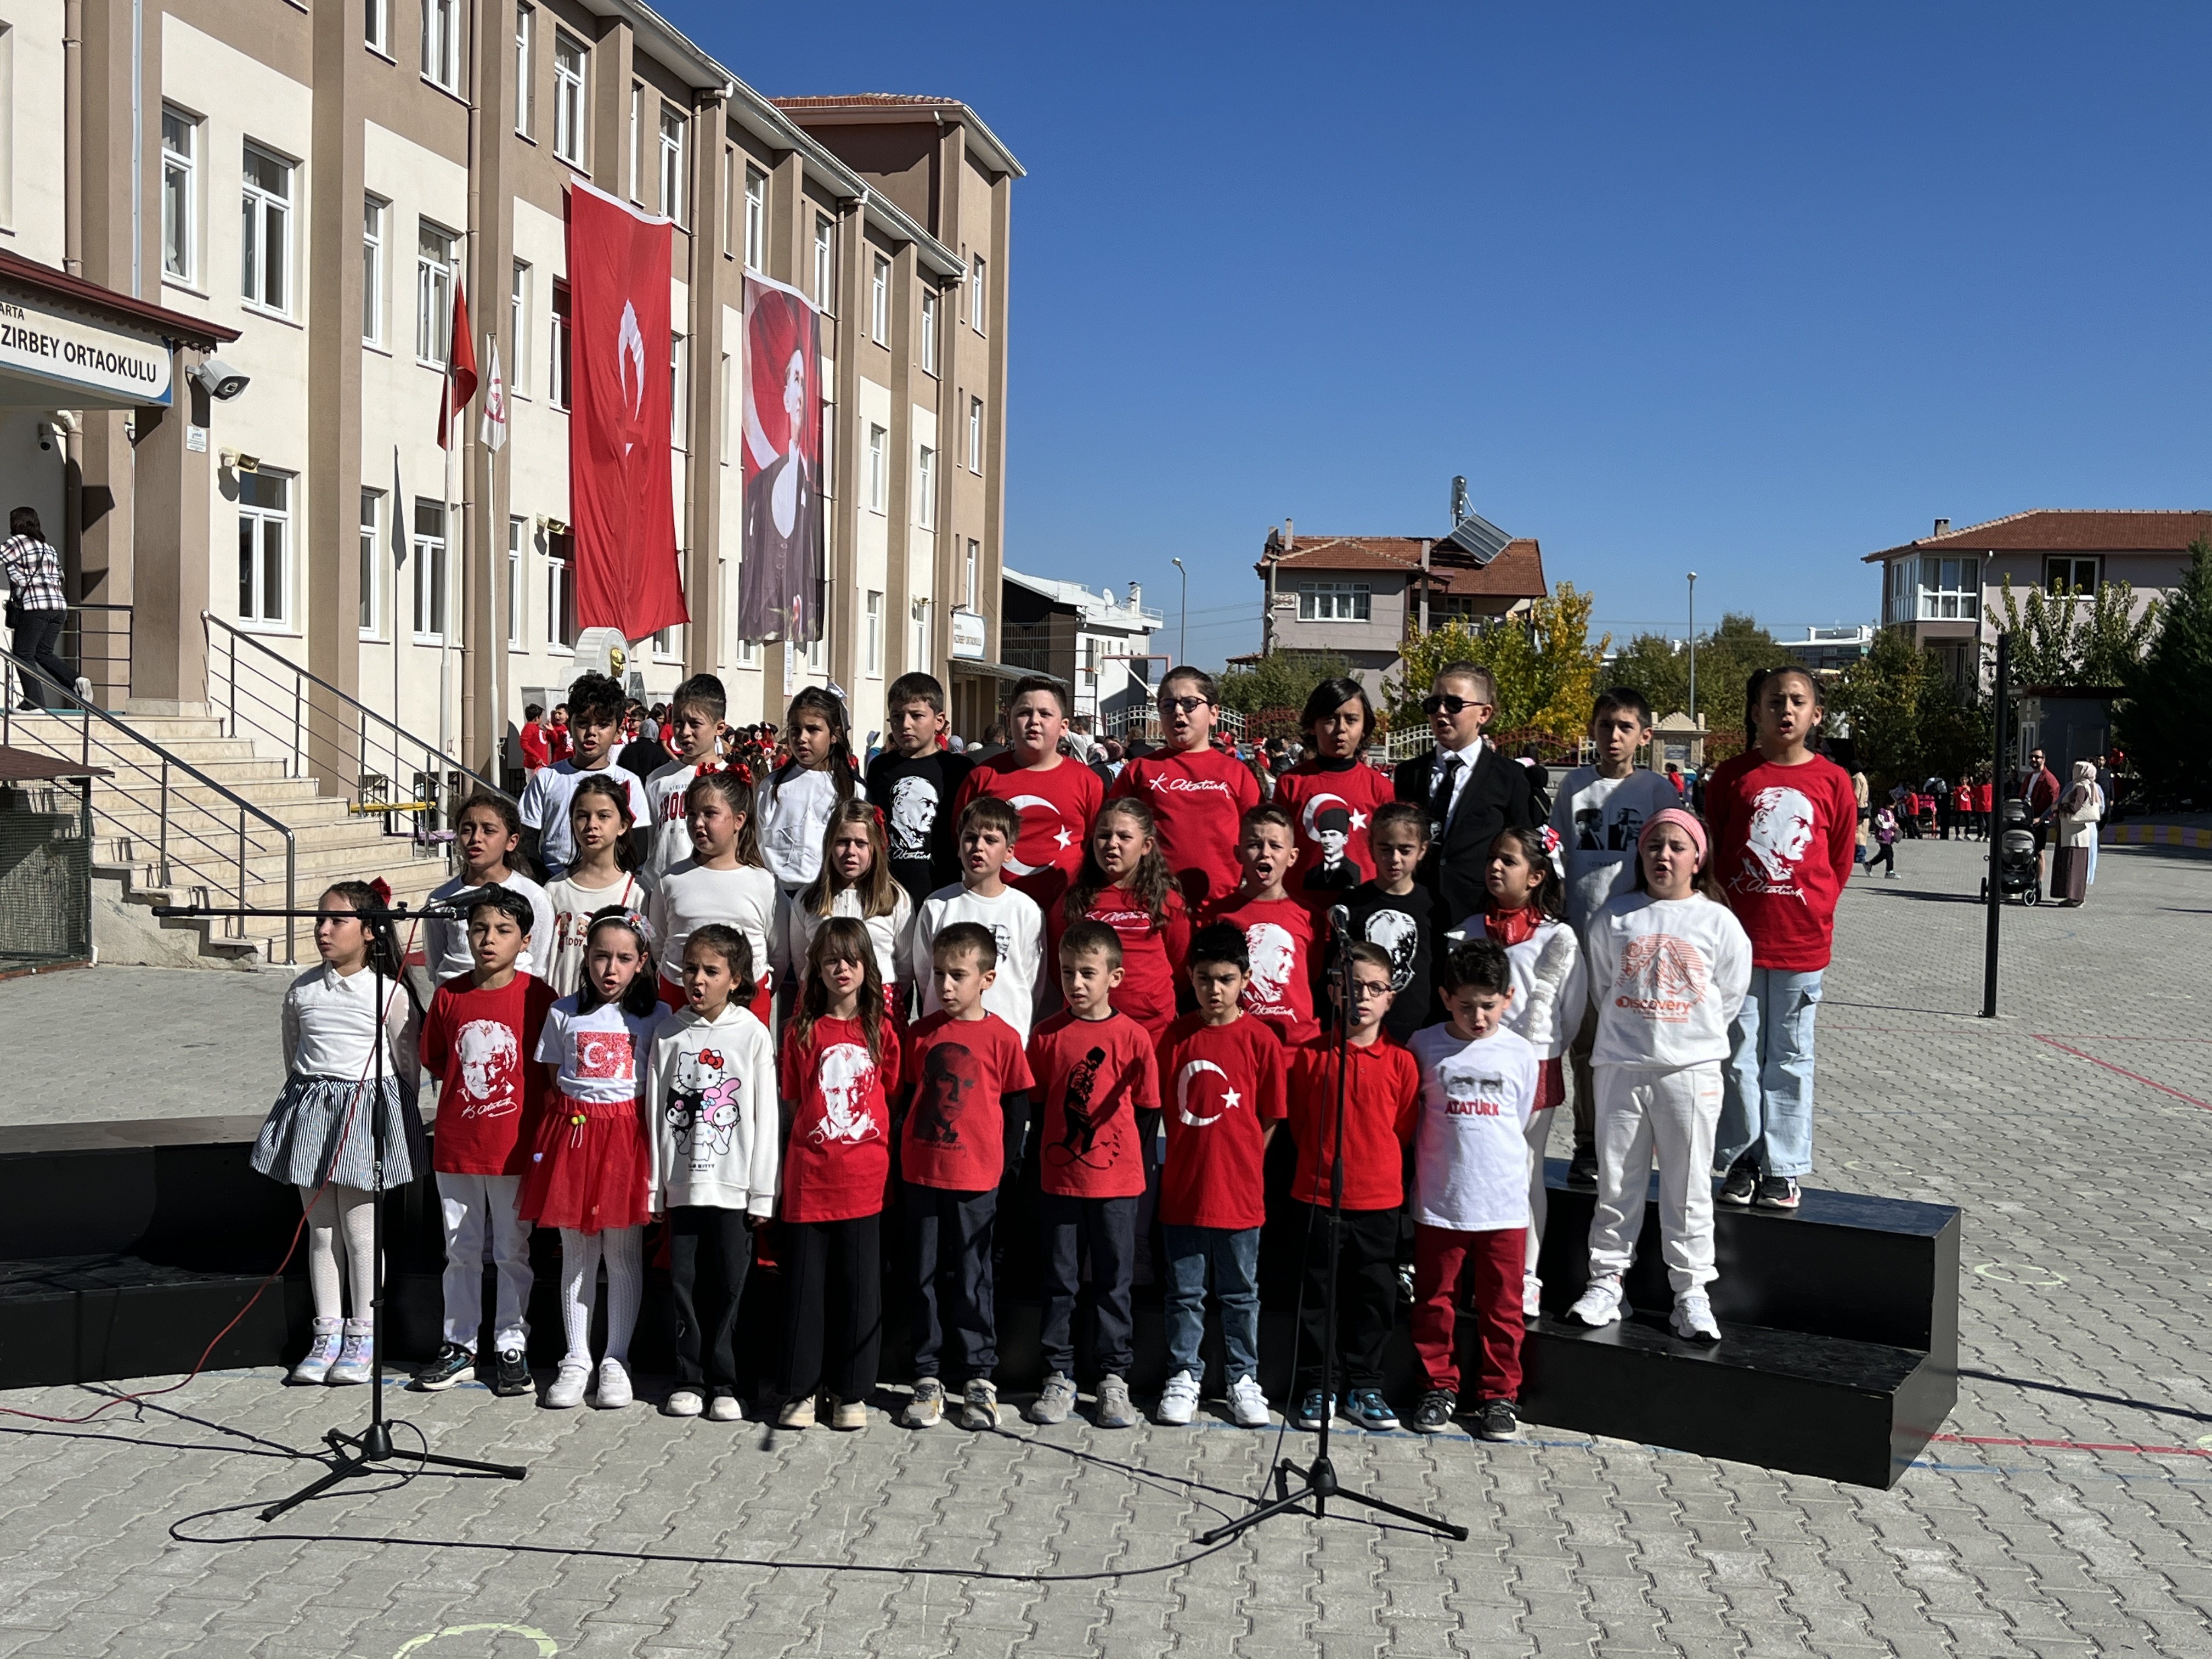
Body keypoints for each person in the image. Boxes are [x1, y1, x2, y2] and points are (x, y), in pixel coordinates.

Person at [1569, 811, 1752, 1344]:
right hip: (1622, 1069)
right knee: (1617, 1182)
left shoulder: (1718, 923)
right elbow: (1603, 988)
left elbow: (1730, 995)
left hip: (1689, 1072)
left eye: (1677, 846)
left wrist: (1687, 1037)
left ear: (1699, 857)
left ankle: (1690, 1293)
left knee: (1688, 1186)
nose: (1664, 856)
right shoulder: (1616, 917)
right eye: (1654, 846)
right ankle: (1606, 1282)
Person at [253, 881, 424, 1386]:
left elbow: (406, 1062)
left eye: (337, 921)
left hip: (365, 1115)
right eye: (319, 921)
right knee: (321, 1228)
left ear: (370, 931)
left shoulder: (387, 993)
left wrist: (387, 1111)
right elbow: (293, 1056)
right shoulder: (302, 989)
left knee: (360, 1230)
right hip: (313, 1115)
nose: (323, 930)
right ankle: (326, 1331)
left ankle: (363, 1332)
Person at [1706, 668, 1857, 1211]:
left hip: (1801, 947)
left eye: (1798, 701)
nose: (1785, 710)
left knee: (1790, 1058)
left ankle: (1783, 1166)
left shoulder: (1833, 781)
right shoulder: (1732, 777)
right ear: (1756, 712)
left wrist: (1810, 908)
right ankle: (1743, 1158)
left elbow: (1838, 862)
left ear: (1817, 715)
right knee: (1739, 1055)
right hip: (1738, 947)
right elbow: (1716, 850)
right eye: (1775, 701)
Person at [411, 887, 555, 1396]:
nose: (488, 940)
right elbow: (438, 1060)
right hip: (457, 1146)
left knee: (513, 1250)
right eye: (479, 929)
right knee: (461, 1249)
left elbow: (548, 1069)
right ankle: (460, 1346)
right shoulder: (450, 995)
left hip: (514, 1150)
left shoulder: (539, 997)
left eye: (502, 930)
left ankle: (511, 1342)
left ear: (525, 940)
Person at [896, 922, 1034, 1431]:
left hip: (978, 1180)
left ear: (988, 978)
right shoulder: (920, 1033)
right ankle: (927, 1378)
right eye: (938, 975)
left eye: (958, 975)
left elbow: (1017, 1106)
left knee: (975, 1281)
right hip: (922, 1175)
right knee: (925, 1278)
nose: (945, 985)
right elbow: (907, 1099)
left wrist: (1008, 1165)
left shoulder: (1003, 1038)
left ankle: (978, 1378)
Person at [518, 907, 658, 1409]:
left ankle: (615, 1359)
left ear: (642, 962)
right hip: (574, 1139)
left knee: (621, 1254)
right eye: (601, 956)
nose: (610, 969)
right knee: (577, 1253)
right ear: (586, 957)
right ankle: (576, 1357)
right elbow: (555, 1078)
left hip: (626, 1142)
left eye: (623, 959)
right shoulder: (563, 1012)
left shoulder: (654, 1017)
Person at [1024, 921, 1159, 1430]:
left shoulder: (1134, 1038)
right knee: (1060, 1281)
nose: (1076, 983)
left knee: (1113, 1283)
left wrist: (1127, 1166)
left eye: (1087, 973)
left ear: (1115, 977)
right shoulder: (1048, 1035)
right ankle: (1058, 1374)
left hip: (1117, 1187)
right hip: (1059, 1185)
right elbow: (1038, 1108)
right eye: (1066, 973)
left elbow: (1146, 1111)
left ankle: (1112, 1378)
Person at [1407, 938, 1542, 1441]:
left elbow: (1523, 1115)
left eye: (1488, 1006)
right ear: (1445, 998)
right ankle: (1437, 1386)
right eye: (1466, 1007)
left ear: (1508, 998)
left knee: (1501, 1308)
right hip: (1441, 1204)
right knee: (1435, 1301)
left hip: (1504, 1206)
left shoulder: (1521, 1052)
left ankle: (1499, 1396)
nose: (1478, 1018)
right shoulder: (1424, 1046)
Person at [1152, 923, 1285, 1429]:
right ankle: (1184, 1373)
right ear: (1190, 977)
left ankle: (1241, 1379)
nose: (1214, 989)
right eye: (1204, 978)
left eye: (1226, 979)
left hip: (1239, 1195)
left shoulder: (1260, 1041)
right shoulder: (1175, 1038)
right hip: (1184, 1192)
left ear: (1246, 980)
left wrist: (1244, 1157)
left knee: (1240, 1294)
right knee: (1185, 1294)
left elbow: (1270, 1116)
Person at [645, 922, 778, 1422]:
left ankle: (731, 1382)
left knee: (732, 1287)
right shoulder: (669, 1033)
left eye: (711, 971)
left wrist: (763, 1193)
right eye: (691, 969)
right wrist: (656, 1187)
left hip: (734, 1188)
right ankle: (690, 1378)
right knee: (686, 1283)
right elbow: (658, 1112)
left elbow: (765, 1119)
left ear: (736, 977)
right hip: (683, 1185)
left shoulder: (752, 1035)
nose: (697, 980)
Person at [1285, 941, 1419, 1432]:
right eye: (1353, 986)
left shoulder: (1402, 1064)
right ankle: (1319, 1385)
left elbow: (1403, 1128)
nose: (1363, 997)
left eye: (1375, 988)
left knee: (1372, 1297)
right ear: (1334, 992)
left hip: (1379, 1201)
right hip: (1321, 1198)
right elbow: (1302, 1122)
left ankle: (1365, 1385)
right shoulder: (1309, 1058)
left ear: (1390, 998)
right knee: (1319, 1297)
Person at [776, 917, 902, 1431]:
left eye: (851, 959)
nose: (841, 968)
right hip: (811, 1178)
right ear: (816, 969)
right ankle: (801, 1390)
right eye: (830, 960)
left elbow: (890, 1093)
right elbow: (793, 1100)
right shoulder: (802, 1030)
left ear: (866, 966)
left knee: (858, 1288)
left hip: (865, 1180)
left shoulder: (883, 1030)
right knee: (805, 1290)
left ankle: (850, 1392)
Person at [1549, 688, 1675, 1192]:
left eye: (1625, 727)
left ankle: (1638, 1143)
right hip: (1581, 938)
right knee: (1585, 1049)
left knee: (1636, 1048)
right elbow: (1556, 857)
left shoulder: (1657, 792)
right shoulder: (1574, 788)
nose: (1614, 736)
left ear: (1644, 735)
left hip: (1636, 944)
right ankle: (1587, 1143)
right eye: (1605, 726)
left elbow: (1674, 859)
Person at [1468, 826, 1584, 1318]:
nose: (1496, 867)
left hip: (1534, 1065)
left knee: (1526, 1171)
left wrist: (1542, 1047)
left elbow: (1573, 1010)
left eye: (1509, 861)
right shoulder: (1470, 928)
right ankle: (1481, 1270)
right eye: (1493, 857)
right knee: (1479, 1169)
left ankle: (1526, 1275)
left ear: (1536, 876)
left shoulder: (1557, 938)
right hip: (1478, 1062)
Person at [1391, 661, 1535, 930]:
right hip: (1415, 913)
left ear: (1484, 713)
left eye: (1454, 704)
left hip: (1479, 915)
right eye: (1434, 704)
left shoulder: (1511, 778)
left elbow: (1522, 852)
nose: (1441, 712)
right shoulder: (1408, 774)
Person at [1108, 668, 1260, 912]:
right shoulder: (1139, 771)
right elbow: (1110, 833)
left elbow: (1258, 839)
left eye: (1190, 703)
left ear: (1213, 713)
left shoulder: (1237, 773)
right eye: (1168, 706)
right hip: (1153, 907)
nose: (1178, 711)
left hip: (1223, 909)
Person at [953, 677, 1102, 909]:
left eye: (1045, 714)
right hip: (993, 910)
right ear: (1009, 720)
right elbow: (958, 840)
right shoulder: (983, 777)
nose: (1034, 721)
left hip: (1065, 911)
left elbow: (1098, 847)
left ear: (1064, 726)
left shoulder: (1088, 782)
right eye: (1024, 713)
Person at [648, 768, 781, 1021]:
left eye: (710, 814)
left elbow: (778, 953)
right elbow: (659, 942)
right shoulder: (671, 880)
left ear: (739, 820)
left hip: (744, 1003)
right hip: (679, 1001)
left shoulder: (763, 882)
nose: (698, 823)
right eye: (692, 815)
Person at [1052, 796, 1190, 1039]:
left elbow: (1180, 961)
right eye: (1104, 836)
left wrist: (1148, 1001)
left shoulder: (1165, 900)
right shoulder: (1074, 900)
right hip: (1087, 1025)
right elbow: (1057, 958)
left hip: (1152, 1028)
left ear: (1146, 846)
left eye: (1124, 837)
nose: (1111, 844)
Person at [911, 797, 1046, 1040]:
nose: (978, 847)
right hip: (944, 1038)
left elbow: (1032, 982)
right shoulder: (936, 906)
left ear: (1009, 852)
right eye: (971, 838)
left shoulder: (1026, 911)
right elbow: (925, 976)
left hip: (1005, 1043)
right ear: (960, 845)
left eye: (991, 840)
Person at [782, 800, 913, 1012]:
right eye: (842, 842)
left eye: (861, 844)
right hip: (822, 1004)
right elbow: (801, 961)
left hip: (879, 1003)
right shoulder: (808, 899)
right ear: (829, 846)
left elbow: (906, 965)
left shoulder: (895, 898)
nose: (851, 851)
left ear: (875, 848)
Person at [1205, 805, 1320, 1046]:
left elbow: (1314, 974)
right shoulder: (1219, 915)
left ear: (1292, 856)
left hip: (1298, 1047)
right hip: (1240, 1043)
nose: (1265, 853)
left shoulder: (1310, 915)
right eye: (1254, 844)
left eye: (1275, 846)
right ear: (1238, 854)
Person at [517, 674, 651, 880]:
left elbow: (638, 847)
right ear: (570, 726)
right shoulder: (546, 778)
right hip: (554, 887)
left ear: (618, 731)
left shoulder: (629, 782)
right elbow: (527, 844)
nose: (591, 732)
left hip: (609, 889)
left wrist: (607, 881)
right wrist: (547, 885)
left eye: (603, 724)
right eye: (583, 723)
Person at [1273, 678, 1393, 898]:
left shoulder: (1381, 787)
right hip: (1301, 910)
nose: (1341, 729)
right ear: (1312, 725)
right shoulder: (1291, 783)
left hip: (1361, 908)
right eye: (1330, 719)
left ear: (1365, 727)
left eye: (1351, 720)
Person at [422, 794, 557, 984]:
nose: (476, 838)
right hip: (455, 1001)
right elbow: (437, 960)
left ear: (512, 842)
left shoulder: (533, 895)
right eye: (467, 830)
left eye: (488, 830)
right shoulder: (441, 899)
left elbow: (539, 962)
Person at [866, 671, 974, 906]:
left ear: (939, 720)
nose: (905, 725)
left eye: (917, 716)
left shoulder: (958, 769)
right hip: (888, 895)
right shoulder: (880, 768)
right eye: (897, 716)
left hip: (944, 893)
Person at [543, 775, 648, 997]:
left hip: (616, 1013)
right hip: (560, 1010)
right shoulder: (554, 889)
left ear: (622, 826)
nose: (592, 825)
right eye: (583, 816)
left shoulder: (638, 893)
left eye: (603, 816)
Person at [759, 687, 865, 902]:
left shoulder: (853, 789)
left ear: (834, 735)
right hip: (776, 896)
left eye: (813, 730)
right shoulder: (772, 785)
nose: (801, 738)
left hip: (830, 896)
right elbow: (758, 840)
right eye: (795, 730)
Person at [1344, 802, 1435, 1046]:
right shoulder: (1352, 904)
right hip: (1361, 1030)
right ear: (1371, 848)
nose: (1394, 859)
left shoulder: (1434, 906)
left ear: (1422, 850)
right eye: (1385, 849)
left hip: (1420, 1029)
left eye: (1405, 850)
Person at [641, 675, 730, 883]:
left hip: (711, 884)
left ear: (719, 728)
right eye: (678, 723)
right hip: (661, 885)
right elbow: (651, 837)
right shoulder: (657, 778)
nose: (685, 732)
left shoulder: (730, 778)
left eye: (695, 724)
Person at [1, 507, 88, 709]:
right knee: (43, 652)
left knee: (23, 654)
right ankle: (76, 681)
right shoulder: (47, 548)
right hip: (58, 608)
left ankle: (34, 704)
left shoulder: (16, 543)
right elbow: (60, 576)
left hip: (35, 608)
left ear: (16, 523)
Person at [2050, 760, 2102, 906]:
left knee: (2072, 864)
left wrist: (2058, 807)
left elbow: (2075, 807)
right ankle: (2075, 897)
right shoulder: (2089, 785)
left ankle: (2074, 897)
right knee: (2077, 864)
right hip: (2079, 833)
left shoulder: (2080, 787)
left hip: (2074, 835)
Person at [2021, 747, 2061, 895]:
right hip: (2026, 818)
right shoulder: (2030, 777)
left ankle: (2037, 883)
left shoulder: (2049, 780)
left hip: (2040, 820)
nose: (2034, 760)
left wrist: (2042, 818)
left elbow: (2052, 803)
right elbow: (2022, 796)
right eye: (2032, 757)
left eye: (2037, 757)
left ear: (2044, 759)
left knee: (2039, 852)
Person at [1867, 805, 1898, 877]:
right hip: (1883, 836)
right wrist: (1892, 824)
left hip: (1889, 836)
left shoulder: (1890, 811)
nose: (1893, 806)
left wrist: (1895, 825)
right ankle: (1889, 872)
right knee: (1889, 854)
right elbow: (1882, 824)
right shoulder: (1881, 812)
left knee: (1884, 854)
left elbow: (1891, 821)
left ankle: (1870, 864)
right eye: (1892, 804)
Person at [520, 704, 551, 774]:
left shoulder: (536, 728)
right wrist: (537, 757)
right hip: (534, 765)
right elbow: (524, 744)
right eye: (541, 716)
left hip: (541, 764)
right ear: (536, 718)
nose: (542, 718)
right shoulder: (529, 728)